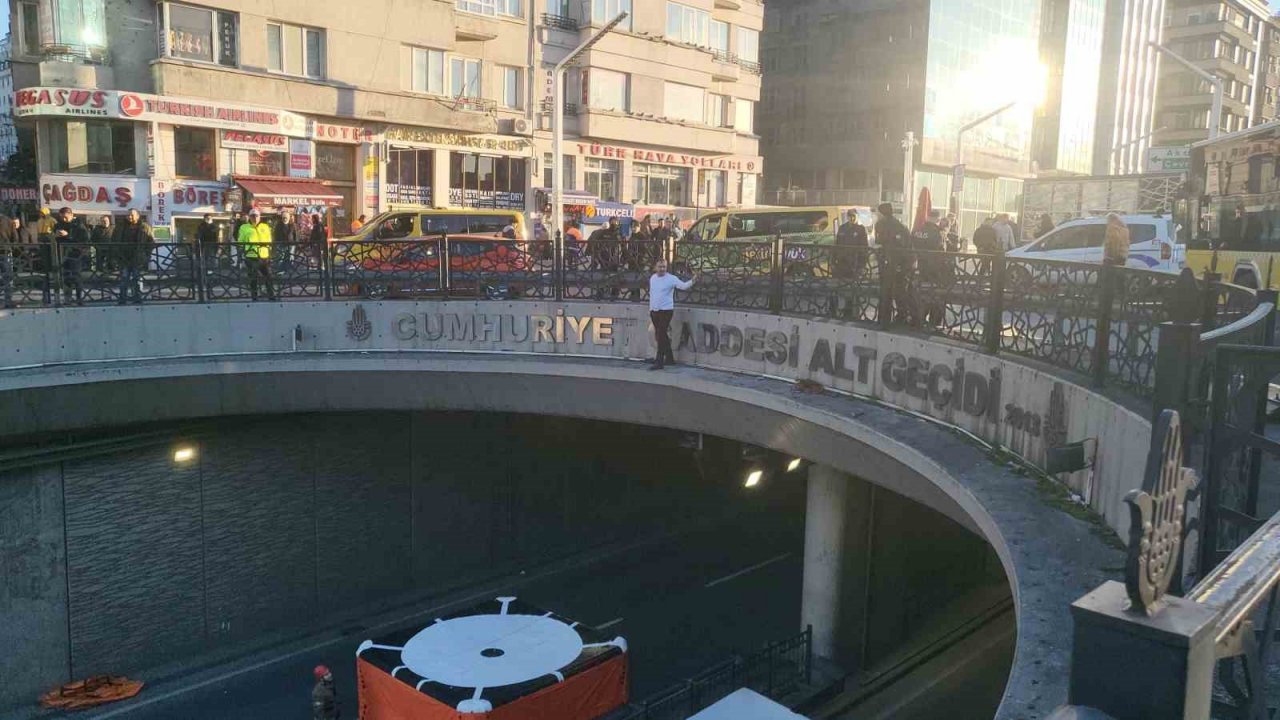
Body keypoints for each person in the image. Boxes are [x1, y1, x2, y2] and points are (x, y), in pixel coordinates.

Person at [648, 259, 697, 371]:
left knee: (661, 334)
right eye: (660, 267)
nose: (662, 269)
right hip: (654, 310)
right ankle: (669, 358)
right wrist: (651, 309)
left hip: (666, 310)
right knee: (661, 334)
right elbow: (653, 294)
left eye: (664, 267)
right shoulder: (653, 278)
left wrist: (692, 281)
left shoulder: (671, 278)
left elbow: (683, 286)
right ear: (655, 267)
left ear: (666, 268)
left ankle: (659, 361)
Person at [873, 202, 913, 323]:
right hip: (900, 263)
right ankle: (901, 316)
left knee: (886, 292)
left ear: (882, 213)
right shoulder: (900, 226)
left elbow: (879, 240)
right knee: (899, 291)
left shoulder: (881, 225)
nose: (876, 215)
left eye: (878, 213)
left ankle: (884, 318)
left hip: (888, 263)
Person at [112, 209, 153, 305]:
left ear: (138, 216)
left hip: (137, 257)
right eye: (128, 215)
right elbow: (114, 240)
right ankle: (122, 299)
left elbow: (150, 242)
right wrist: (116, 254)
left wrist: (146, 255)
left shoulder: (145, 227)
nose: (129, 217)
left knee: (137, 279)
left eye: (132, 215)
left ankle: (137, 298)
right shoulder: (120, 227)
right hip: (124, 257)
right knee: (124, 279)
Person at [54, 207, 88, 305]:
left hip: (76, 255)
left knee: (76, 277)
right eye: (61, 218)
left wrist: (68, 235)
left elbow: (83, 240)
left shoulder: (79, 226)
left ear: (71, 215)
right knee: (65, 277)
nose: (63, 220)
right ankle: (67, 298)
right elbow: (54, 239)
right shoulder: (58, 225)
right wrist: (55, 236)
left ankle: (79, 298)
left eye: (65, 217)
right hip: (63, 254)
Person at [238, 209, 275, 301]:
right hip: (251, 256)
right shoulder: (244, 227)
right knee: (253, 277)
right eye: (253, 216)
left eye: (257, 216)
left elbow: (269, 239)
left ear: (260, 216)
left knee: (268, 276)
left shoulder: (265, 226)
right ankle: (254, 296)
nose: (255, 218)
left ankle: (271, 295)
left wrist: (269, 250)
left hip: (264, 255)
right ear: (250, 217)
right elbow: (240, 241)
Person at [834, 209, 869, 279]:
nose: (852, 218)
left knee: (854, 282)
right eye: (850, 216)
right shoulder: (842, 228)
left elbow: (865, 247)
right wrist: (835, 258)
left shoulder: (861, 229)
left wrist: (863, 264)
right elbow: (837, 243)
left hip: (855, 261)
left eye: (854, 216)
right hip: (843, 261)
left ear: (857, 216)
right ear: (847, 217)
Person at [0, 214, 16, 308]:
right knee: (8, 275)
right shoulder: (8, 220)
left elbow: (14, 237)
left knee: (7, 275)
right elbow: (15, 237)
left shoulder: (8, 220)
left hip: (5, 250)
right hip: (6, 250)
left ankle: (7, 299)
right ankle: (8, 300)